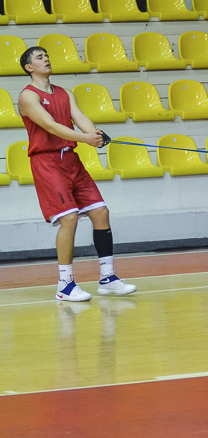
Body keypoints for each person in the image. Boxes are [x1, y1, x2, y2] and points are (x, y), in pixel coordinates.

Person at [18, 46, 137, 301]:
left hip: (71, 160)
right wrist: (85, 138)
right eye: (39, 57)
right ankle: (64, 285)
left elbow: (80, 117)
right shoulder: (28, 96)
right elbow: (51, 126)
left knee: (100, 212)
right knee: (69, 217)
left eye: (47, 56)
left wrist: (94, 134)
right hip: (47, 162)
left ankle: (107, 278)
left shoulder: (65, 93)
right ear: (29, 67)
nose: (46, 59)